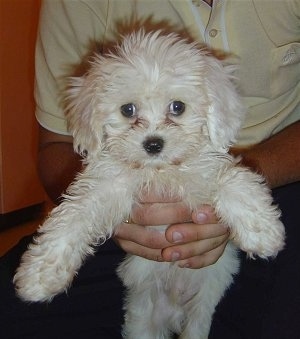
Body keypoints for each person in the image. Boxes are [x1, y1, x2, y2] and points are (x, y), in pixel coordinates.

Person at [1, 0, 299, 338]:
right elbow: (84, 201)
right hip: (136, 263)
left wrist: (249, 216)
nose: (153, 135)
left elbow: (229, 181)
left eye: (176, 108)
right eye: (129, 110)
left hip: (281, 193)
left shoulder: (206, 157)